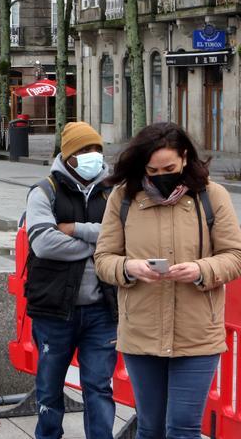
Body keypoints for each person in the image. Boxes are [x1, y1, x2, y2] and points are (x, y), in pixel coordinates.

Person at [95, 122, 241, 439]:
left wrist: (202, 269)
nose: (162, 174)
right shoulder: (123, 198)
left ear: (185, 158)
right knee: (150, 427)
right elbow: (103, 259)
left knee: (184, 428)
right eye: (153, 169)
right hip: (141, 332)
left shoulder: (212, 196)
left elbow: (234, 255)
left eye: (169, 167)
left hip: (198, 333)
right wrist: (129, 267)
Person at [24, 122, 118, 439]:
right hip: (53, 309)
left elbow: (126, 236)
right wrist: (99, 243)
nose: (92, 156)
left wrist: (76, 229)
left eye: (96, 150)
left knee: (99, 387)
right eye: (83, 151)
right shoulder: (44, 191)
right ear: (68, 155)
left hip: (102, 310)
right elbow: (44, 244)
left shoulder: (114, 192)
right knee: (49, 389)